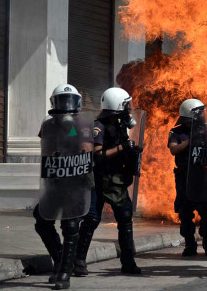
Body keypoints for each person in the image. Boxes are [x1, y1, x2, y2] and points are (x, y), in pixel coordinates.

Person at [74, 87, 143, 276]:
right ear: (118, 106)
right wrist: (121, 148)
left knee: (125, 218)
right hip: (99, 179)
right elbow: (97, 155)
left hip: (116, 180)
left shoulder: (120, 124)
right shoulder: (100, 126)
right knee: (92, 219)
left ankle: (128, 262)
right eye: (126, 104)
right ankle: (78, 261)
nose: (129, 107)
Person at [34, 84, 93, 289]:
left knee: (70, 225)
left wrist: (74, 134)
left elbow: (86, 147)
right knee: (41, 220)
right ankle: (60, 260)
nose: (66, 105)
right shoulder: (48, 125)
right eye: (62, 100)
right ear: (54, 102)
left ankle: (65, 273)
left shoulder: (81, 124)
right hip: (55, 181)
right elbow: (46, 147)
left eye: (69, 101)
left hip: (74, 182)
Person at [168, 99, 207, 257]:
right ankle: (190, 244)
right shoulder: (177, 132)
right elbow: (173, 149)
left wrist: (204, 134)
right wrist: (190, 141)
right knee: (185, 212)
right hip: (184, 178)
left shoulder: (205, 130)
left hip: (202, 176)